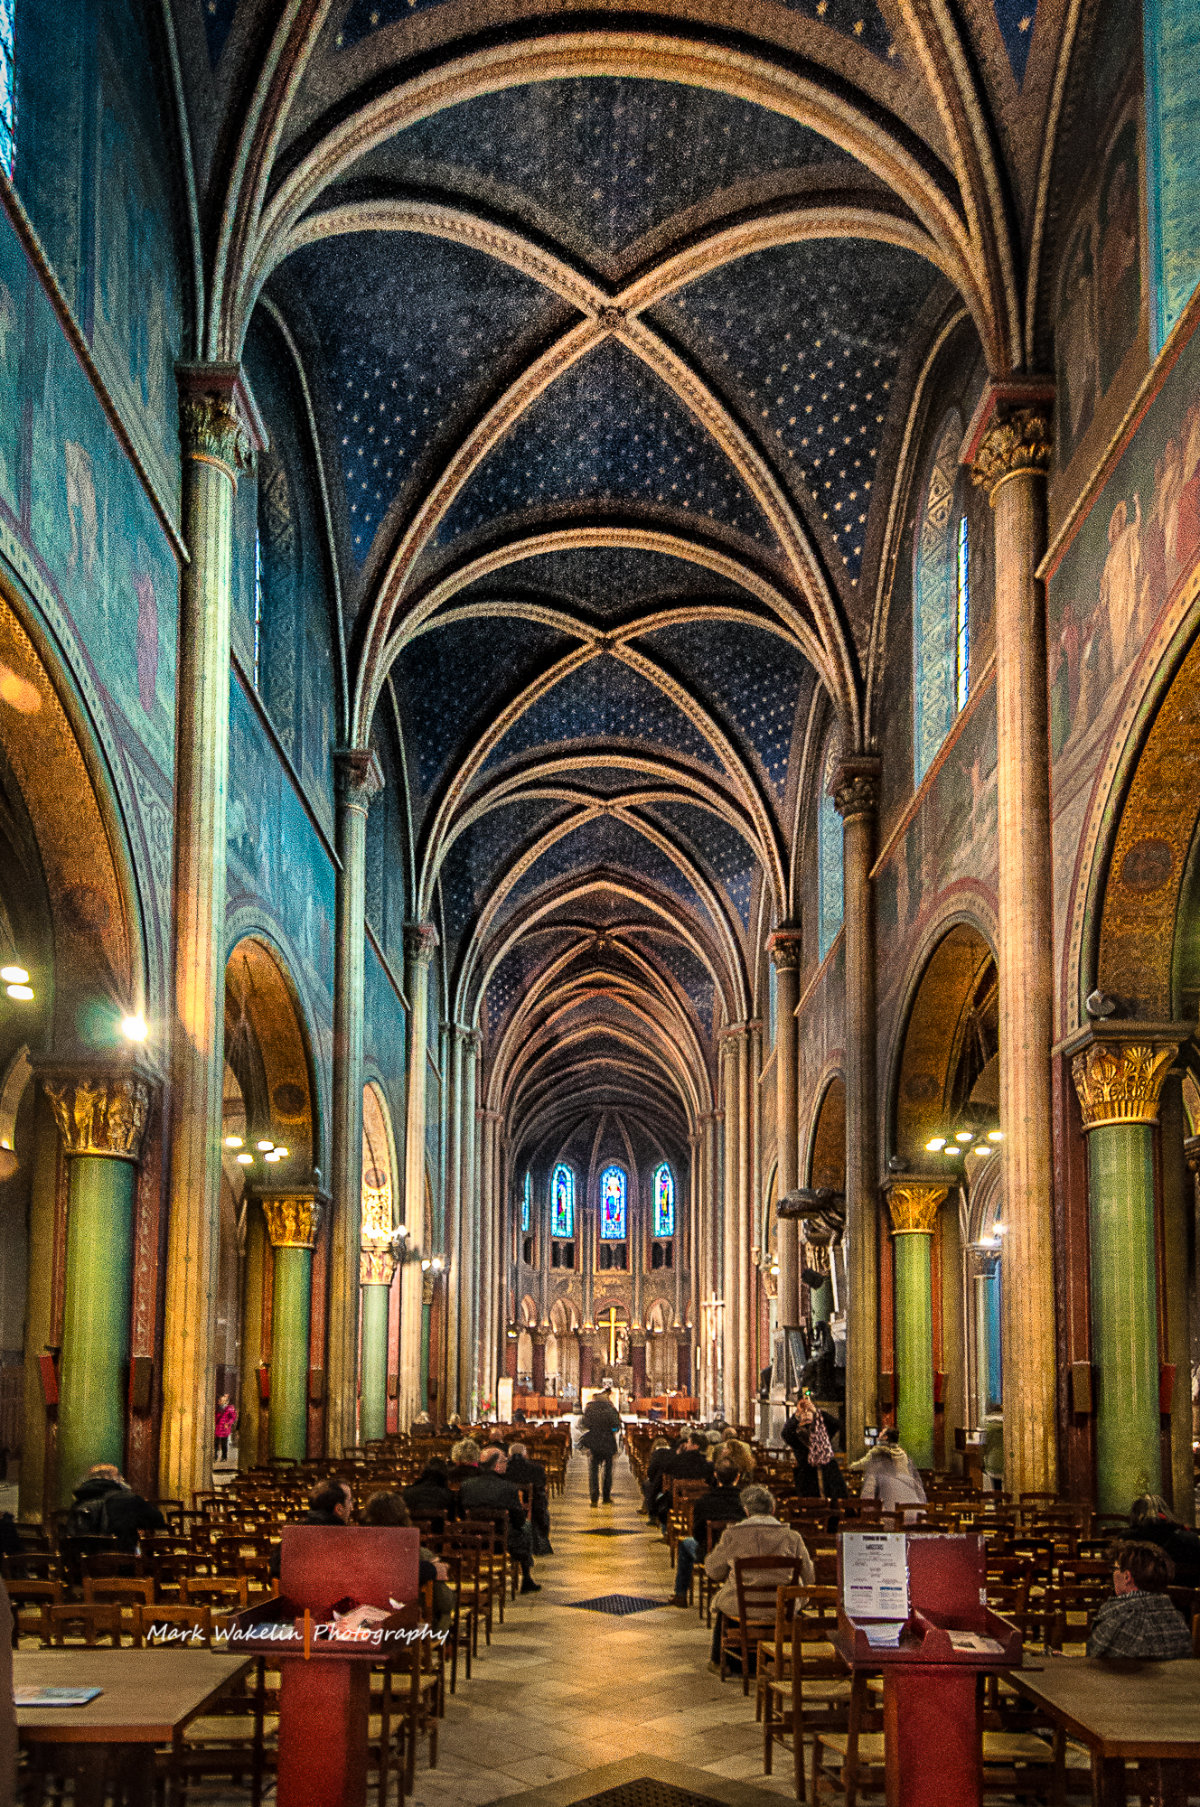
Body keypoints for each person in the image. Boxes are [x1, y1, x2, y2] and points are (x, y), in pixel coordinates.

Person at [704, 1484, 813, 1673]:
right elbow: (809, 1576)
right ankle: (785, 1657)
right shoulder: (792, 1537)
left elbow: (713, 1571)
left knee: (723, 1603)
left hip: (742, 1606)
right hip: (783, 1607)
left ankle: (722, 1662)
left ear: (746, 1511)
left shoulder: (733, 1535)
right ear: (772, 1509)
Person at [362, 1491, 453, 1628]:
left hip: (367, 1622)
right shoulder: (419, 1554)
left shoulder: (361, 1548)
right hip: (406, 1626)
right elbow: (443, 1601)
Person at [1086, 1542, 1193, 1659]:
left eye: (1114, 1568)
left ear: (1127, 1577)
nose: (1112, 1574)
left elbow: (1094, 1661)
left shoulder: (1117, 1620)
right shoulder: (1178, 1620)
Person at [668, 1453, 747, 1606]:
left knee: (685, 1544)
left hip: (708, 1553)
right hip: (740, 1554)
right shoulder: (745, 1502)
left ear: (716, 1476)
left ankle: (680, 1594)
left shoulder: (704, 1501)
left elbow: (697, 1534)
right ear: (738, 1477)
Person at [459, 1446, 540, 1593]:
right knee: (526, 1528)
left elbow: (460, 1513)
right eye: (504, 1461)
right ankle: (526, 1577)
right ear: (496, 1465)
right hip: (501, 1542)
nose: (506, 1464)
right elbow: (518, 1519)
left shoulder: (466, 1486)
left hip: (472, 1540)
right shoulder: (508, 1488)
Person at [64, 1464, 166, 1551]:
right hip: (123, 1565)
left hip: (84, 1567)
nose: (122, 1479)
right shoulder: (128, 1498)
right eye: (119, 1476)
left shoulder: (80, 1499)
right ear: (115, 1478)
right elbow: (158, 1521)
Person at [1127, 1495, 1200, 1589]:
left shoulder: (1126, 1540)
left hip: (1139, 1598)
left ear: (1135, 1515)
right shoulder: (1190, 1539)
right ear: (1167, 1512)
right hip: (1186, 1599)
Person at [781, 1396, 846, 1499]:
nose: (806, 1413)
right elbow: (785, 1433)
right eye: (803, 1413)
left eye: (808, 1412)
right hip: (807, 1476)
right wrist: (797, 1414)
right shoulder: (796, 1435)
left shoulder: (822, 1431)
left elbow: (836, 1424)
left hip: (828, 1474)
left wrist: (816, 1411)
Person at [853, 1429, 926, 1510]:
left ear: (885, 1437)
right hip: (918, 1513)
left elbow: (867, 1501)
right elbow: (921, 1495)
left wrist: (848, 1467)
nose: (879, 1433)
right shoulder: (904, 1455)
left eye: (881, 1432)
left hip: (892, 1516)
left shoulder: (876, 1455)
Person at [654, 1429, 713, 1527]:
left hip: (678, 1501)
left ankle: (666, 1529)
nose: (686, 1445)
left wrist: (677, 1454)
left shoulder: (680, 1459)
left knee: (660, 1498)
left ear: (695, 1446)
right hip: (701, 1503)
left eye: (689, 1443)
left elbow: (666, 1469)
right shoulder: (707, 1465)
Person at [505, 1440, 553, 1554]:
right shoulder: (537, 1469)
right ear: (525, 1455)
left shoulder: (504, 1469)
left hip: (509, 1507)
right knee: (541, 1503)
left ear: (509, 1455)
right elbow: (541, 1486)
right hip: (534, 1508)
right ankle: (540, 1542)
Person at [580, 1385, 622, 1506]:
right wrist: (611, 1430)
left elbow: (585, 1424)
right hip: (608, 1441)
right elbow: (616, 1426)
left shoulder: (589, 1408)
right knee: (608, 1471)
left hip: (594, 1442)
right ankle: (606, 1497)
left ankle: (594, 1497)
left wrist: (594, 1429)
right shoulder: (611, 1408)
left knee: (593, 1470)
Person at [403, 1458, 456, 1523]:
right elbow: (452, 1522)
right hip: (440, 1531)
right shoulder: (448, 1495)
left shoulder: (408, 1492)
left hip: (414, 1531)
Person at [214, 1393, 238, 1462]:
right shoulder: (218, 1408)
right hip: (218, 1428)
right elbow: (216, 1418)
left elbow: (233, 1418)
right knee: (216, 1443)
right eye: (219, 1400)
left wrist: (228, 1423)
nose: (219, 1401)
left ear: (225, 1401)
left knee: (224, 1443)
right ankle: (215, 1457)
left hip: (225, 1428)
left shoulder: (230, 1408)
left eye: (221, 1400)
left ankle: (224, 1457)